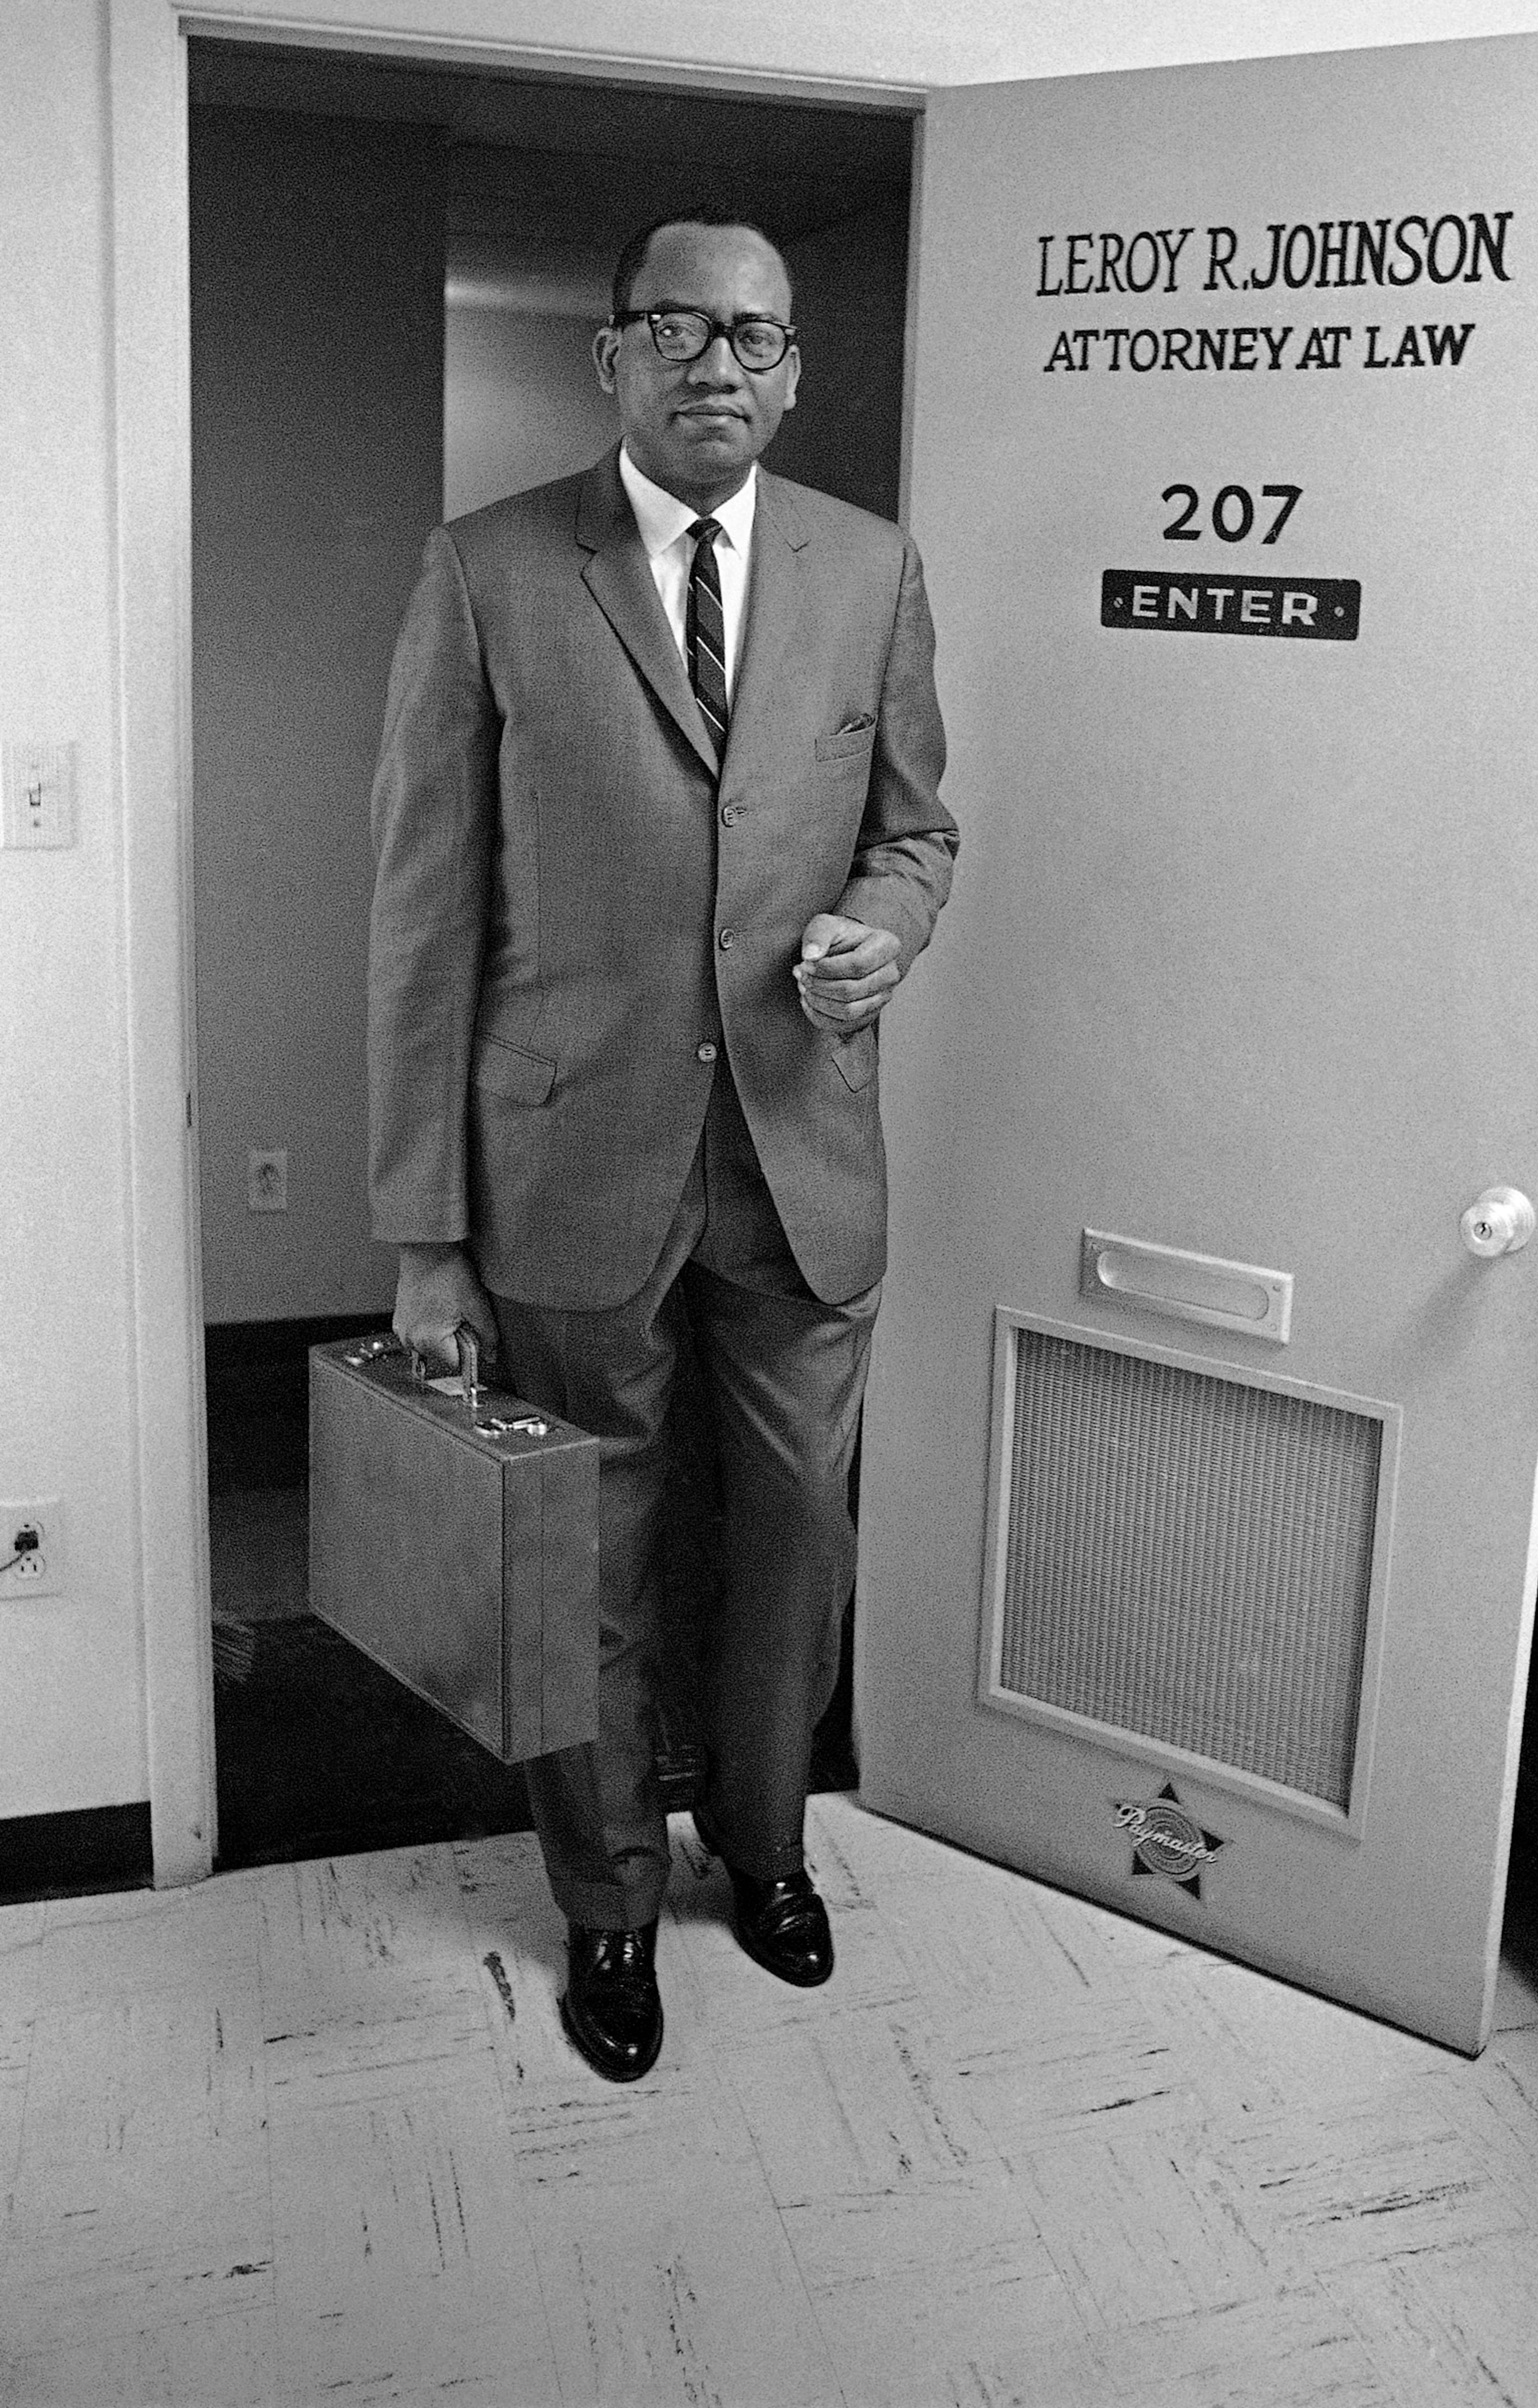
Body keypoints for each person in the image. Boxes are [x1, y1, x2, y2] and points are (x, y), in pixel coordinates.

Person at [368, 206, 957, 2082]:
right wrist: (424, 1228)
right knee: (585, 1556)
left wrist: (891, 919)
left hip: (800, 1158)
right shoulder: (489, 571)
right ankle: (610, 1895)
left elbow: (921, 828)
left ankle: (770, 1848)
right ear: (608, 354)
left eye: (759, 335)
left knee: (795, 1536)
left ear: (794, 365)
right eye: (682, 328)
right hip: (566, 1164)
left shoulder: (870, 567)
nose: (724, 363)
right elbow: (421, 921)